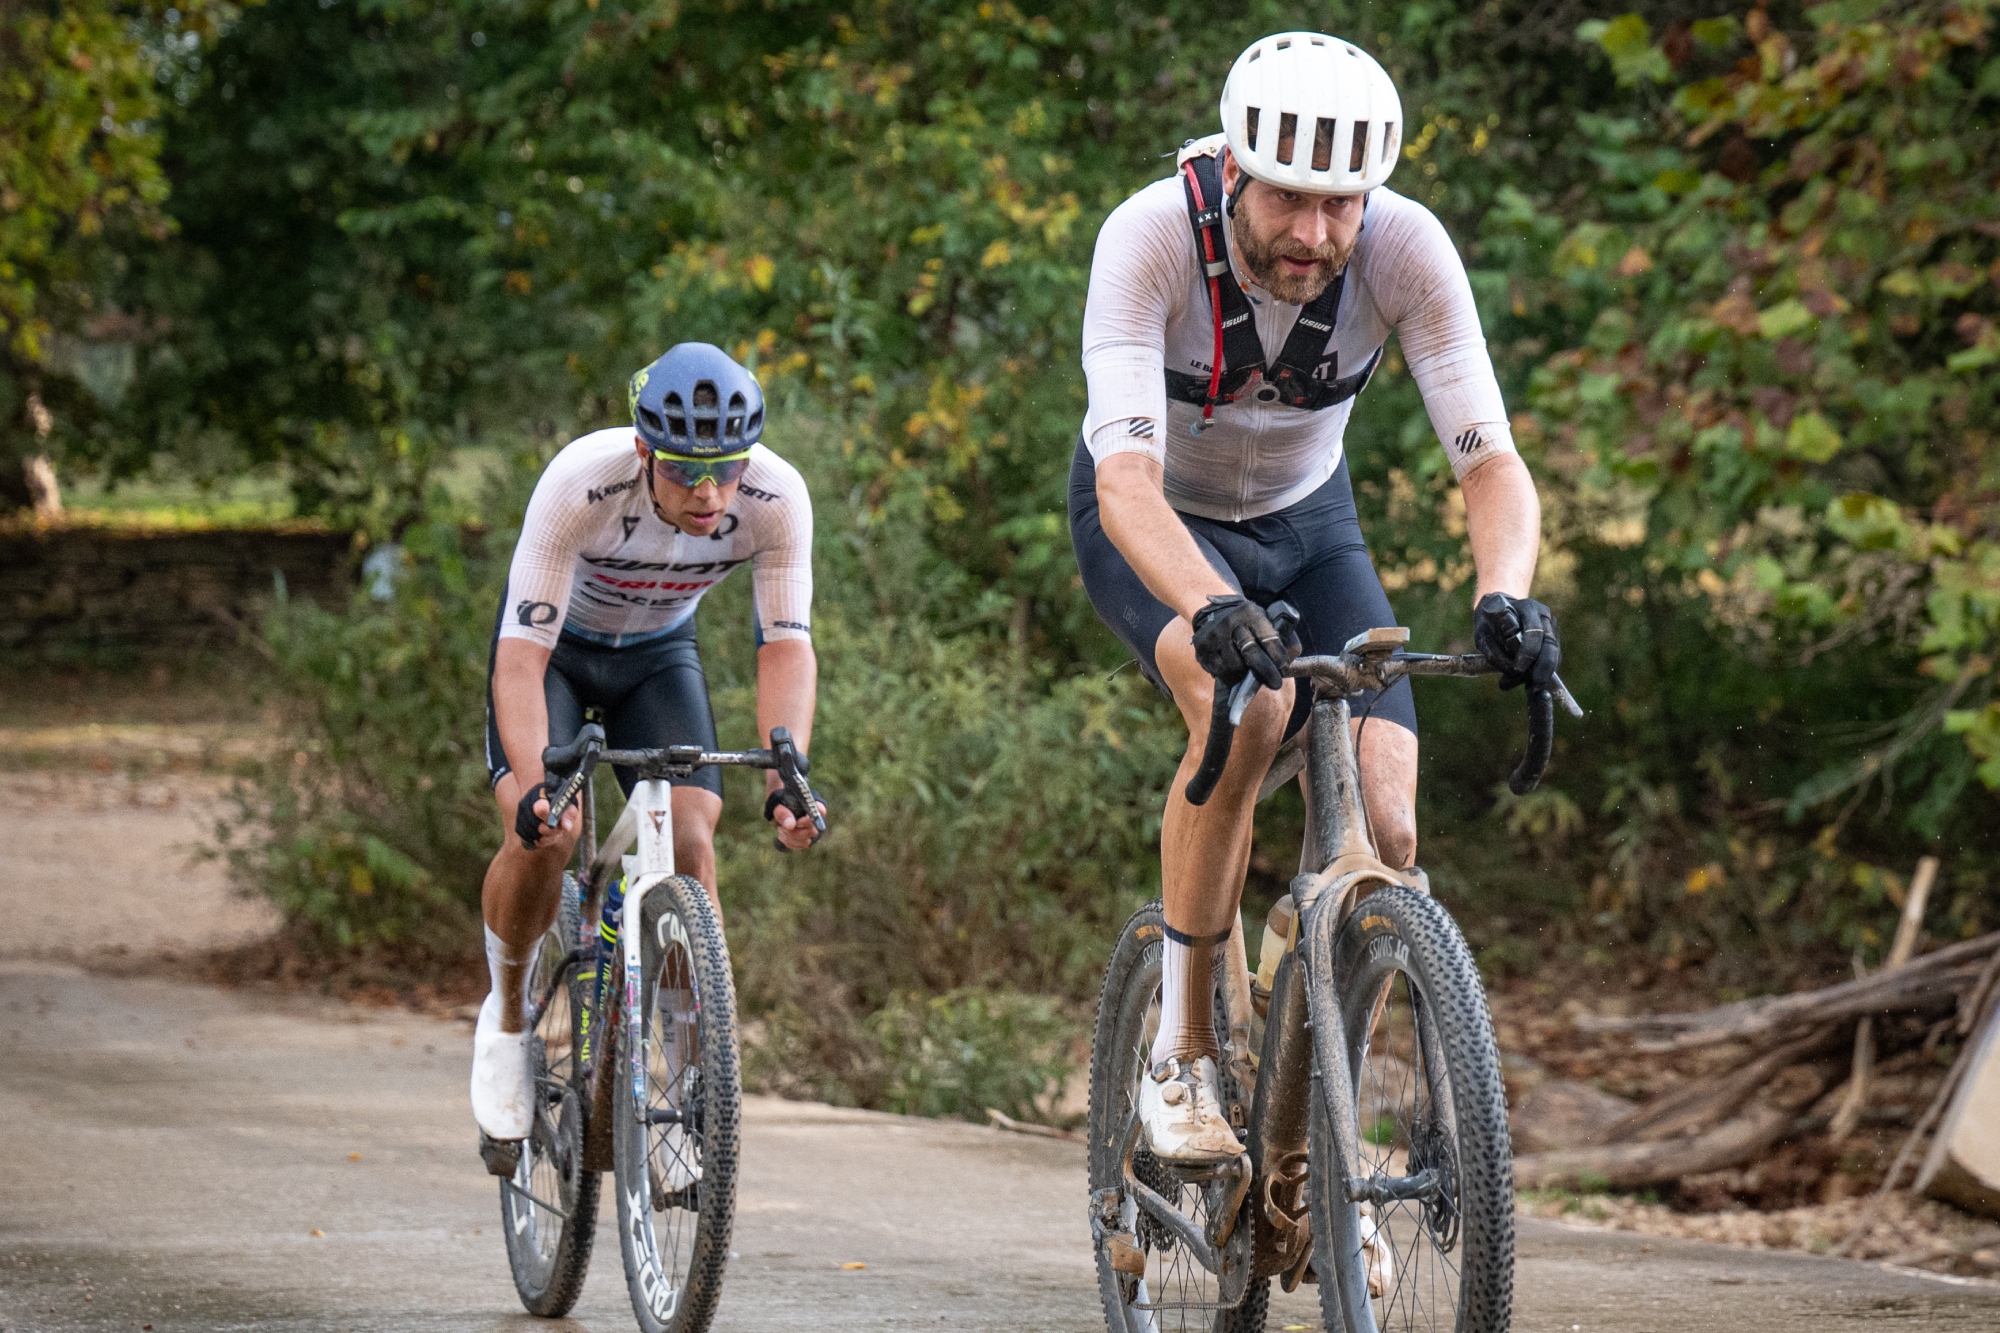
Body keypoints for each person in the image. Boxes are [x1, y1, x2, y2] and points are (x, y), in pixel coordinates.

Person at [1070, 32, 1561, 1163]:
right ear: (1235, 170)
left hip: (1310, 524)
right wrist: (1207, 605)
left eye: (1341, 205)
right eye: (1290, 200)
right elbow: (1127, 481)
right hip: (1157, 518)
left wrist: (1505, 596)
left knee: (1389, 827)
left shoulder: (1405, 248)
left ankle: (1308, 1137)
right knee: (1246, 709)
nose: (1314, 234)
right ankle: (1183, 1051)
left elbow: (1489, 464)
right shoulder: (1149, 237)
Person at [471, 341, 826, 1143]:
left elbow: (785, 645)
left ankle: (694, 1057)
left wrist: (786, 774)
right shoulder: (580, 482)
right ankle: (507, 1009)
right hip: (555, 654)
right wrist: (535, 785)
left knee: (692, 835)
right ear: (643, 452)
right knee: (547, 832)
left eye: (727, 469)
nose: (709, 494)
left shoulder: (776, 497)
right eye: (684, 471)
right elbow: (521, 659)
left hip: (658, 657)